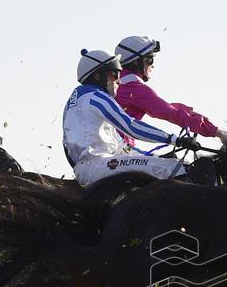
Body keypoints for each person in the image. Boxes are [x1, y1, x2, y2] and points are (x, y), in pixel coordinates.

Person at [63, 49, 200, 187]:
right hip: (98, 166)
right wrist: (176, 140)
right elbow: (131, 126)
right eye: (114, 74)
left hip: (90, 167)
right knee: (174, 168)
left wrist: (152, 157)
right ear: (98, 76)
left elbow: (120, 148)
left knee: (163, 162)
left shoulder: (75, 100)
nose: (119, 80)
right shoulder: (96, 97)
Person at [114, 35, 227, 148]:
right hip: (118, 150)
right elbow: (171, 113)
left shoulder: (118, 83)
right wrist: (217, 132)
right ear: (136, 63)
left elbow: (166, 107)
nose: (152, 66)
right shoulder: (135, 88)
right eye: (150, 60)